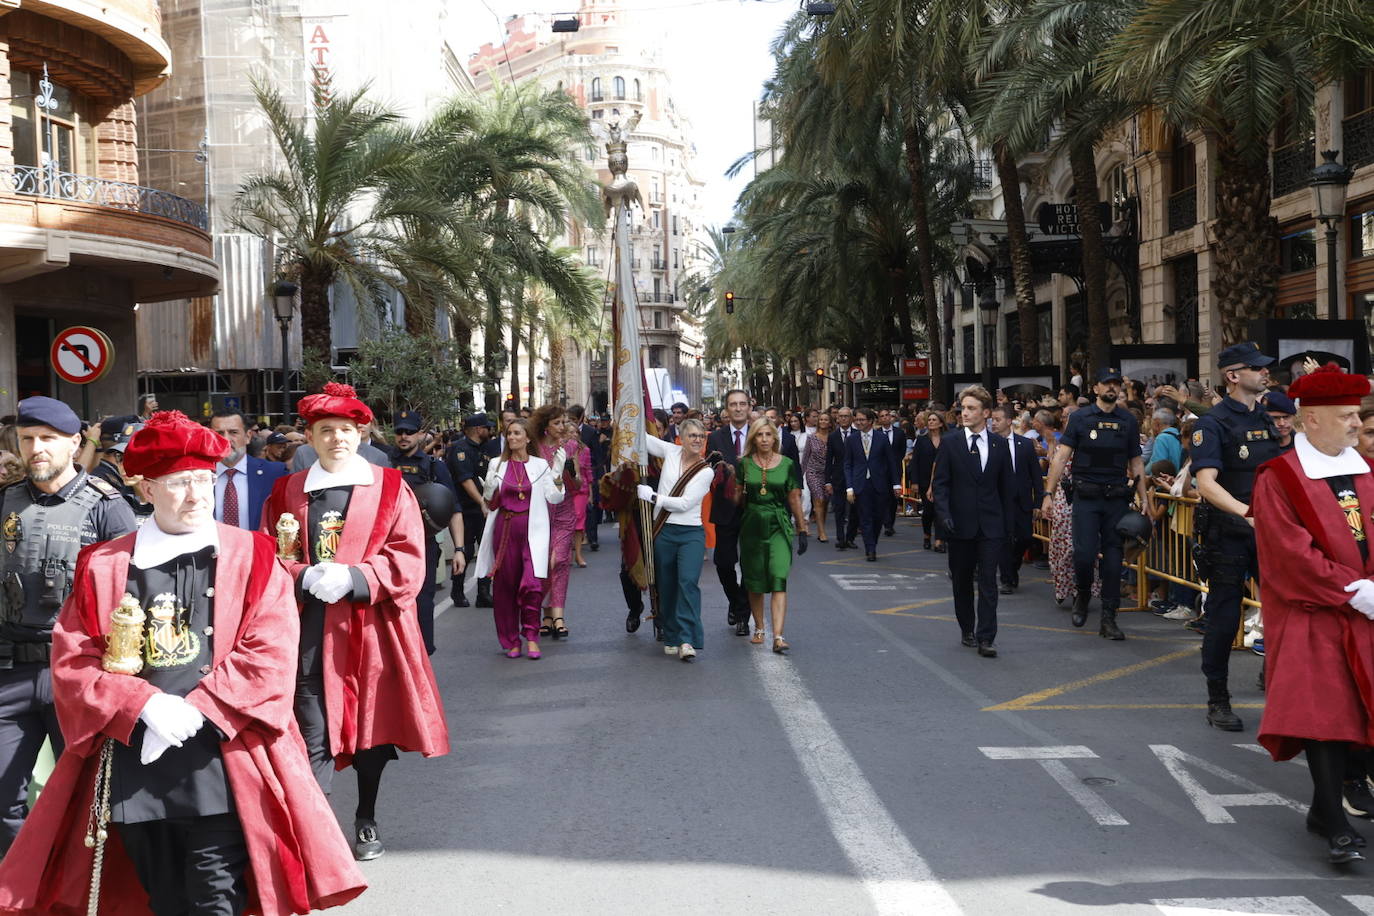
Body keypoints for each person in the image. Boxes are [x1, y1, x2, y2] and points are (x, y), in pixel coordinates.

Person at [0, 410, 367, 914]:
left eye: (202, 480)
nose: (196, 495)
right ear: (147, 490)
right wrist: (142, 707)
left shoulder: (255, 555)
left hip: (228, 758)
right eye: (178, 483)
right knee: (165, 898)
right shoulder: (103, 563)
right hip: (135, 765)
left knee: (216, 895)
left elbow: (271, 652)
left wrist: (199, 709)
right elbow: (74, 660)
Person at [261, 382, 449, 861]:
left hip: (369, 629)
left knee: (370, 735)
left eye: (346, 429)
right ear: (311, 437)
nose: (337, 439)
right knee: (310, 734)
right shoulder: (287, 491)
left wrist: (357, 578)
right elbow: (269, 554)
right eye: (326, 430)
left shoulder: (388, 488)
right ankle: (315, 830)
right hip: (307, 628)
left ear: (360, 433)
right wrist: (303, 576)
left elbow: (409, 556)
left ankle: (366, 817)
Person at [0, 397, 138, 854]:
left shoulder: (107, 507)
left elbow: (128, 597)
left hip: (77, 675)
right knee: (4, 801)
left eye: (48, 439)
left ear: (75, 443)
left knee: (88, 799)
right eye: (27, 439)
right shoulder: (4, 503)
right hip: (9, 674)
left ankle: (83, 896)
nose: (36, 448)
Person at [1253, 364, 1374, 864]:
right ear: (1313, 421)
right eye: (1346, 415)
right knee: (1324, 715)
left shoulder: (1368, 471)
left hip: (1365, 609)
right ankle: (1335, 821)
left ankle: (1326, 809)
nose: (1356, 424)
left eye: (1356, 414)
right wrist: (1353, 591)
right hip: (1311, 610)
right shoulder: (1278, 477)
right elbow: (1287, 552)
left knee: (1361, 709)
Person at [1188, 342, 1283, 731]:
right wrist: (1248, 513)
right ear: (1233, 376)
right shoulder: (1212, 424)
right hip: (1228, 534)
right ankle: (1218, 698)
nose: (1265, 373)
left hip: (1269, 533)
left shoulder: (1268, 418)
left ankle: (1277, 683)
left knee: (1283, 614)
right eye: (1256, 368)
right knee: (1224, 620)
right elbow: (1206, 483)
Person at [1042, 367, 1150, 639]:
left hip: (1115, 499)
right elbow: (1061, 456)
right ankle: (1082, 595)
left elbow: (1136, 461)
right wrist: (1049, 493)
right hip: (1086, 498)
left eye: (1116, 384)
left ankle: (1109, 618)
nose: (1112, 388)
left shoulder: (1127, 420)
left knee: (1114, 561)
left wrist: (1144, 497)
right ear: (1097, 388)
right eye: (1107, 384)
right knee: (1084, 554)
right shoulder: (1079, 418)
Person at [932, 388, 1015, 657]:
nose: (964, 413)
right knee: (962, 580)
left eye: (970, 408)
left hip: (991, 526)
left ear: (986, 413)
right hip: (959, 525)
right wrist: (944, 516)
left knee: (989, 581)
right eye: (962, 409)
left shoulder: (1000, 445)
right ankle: (967, 627)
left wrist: (1008, 526)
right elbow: (941, 484)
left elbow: (1006, 489)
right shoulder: (950, 442)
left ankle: (986, 637)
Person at [473, 419, 566, 659]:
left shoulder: (540, 465)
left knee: (532, 586)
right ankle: (512, 640)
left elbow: (554, 499)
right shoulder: (497, 464)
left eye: (517, 433)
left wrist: (557, 476)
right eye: (509, 433)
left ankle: (532, 637)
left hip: (532, 533)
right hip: (504, 533)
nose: (512, 437)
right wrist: (489, 490)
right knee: (505, 588)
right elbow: (490, 503)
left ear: (527, 438)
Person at [386, 410, 464, 655]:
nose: (404, 436)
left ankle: (421, 656)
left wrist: (460, 549)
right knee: (390, 603)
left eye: (409, 431)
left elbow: (453, 509)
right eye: (399, 431)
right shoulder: (384, 463)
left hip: (423, 545)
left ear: (420, 434)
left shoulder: (434, 466)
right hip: (388, 546)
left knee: (422, 601)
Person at [637, 419, 714, 661]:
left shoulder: (706, 471)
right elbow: (641, 439)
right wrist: (629, 410)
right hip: (665, 531)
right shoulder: (670, 451)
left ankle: (687, 638)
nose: (697, 440)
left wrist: (653, 497)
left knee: (687, 583)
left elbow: (684, 504)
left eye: (701, 436)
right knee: (667, 585)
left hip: (691, 533)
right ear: (680, 437)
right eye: (692, 435)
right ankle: (670, 635)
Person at [734, 419, 807, 653]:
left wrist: (802, 529)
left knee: (778, 577)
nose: (764, 439)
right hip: (752, 524)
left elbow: (794, 498)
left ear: (775, 438)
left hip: (778, 523)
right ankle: (759, 627)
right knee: (754, 579)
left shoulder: (787, 464)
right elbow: (737, 499)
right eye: (759, 435)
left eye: (768, 434)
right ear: (753, 439)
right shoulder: (744, 464)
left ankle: (778, 636)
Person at [532, 406, 591, 640]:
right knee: (545, 563)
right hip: (541, 513)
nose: (562, 427)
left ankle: (558, 615)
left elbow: (577, 485)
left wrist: (570, 473)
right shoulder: (533, 448)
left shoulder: (570, 447)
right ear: (546, 425)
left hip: (564, 511)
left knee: (560, 560)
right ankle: (545, 615)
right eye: (557, 422)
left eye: (564, 422)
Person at [706, 389, 752, 635]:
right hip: (725, 508)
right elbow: (708, 470)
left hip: (754, 508)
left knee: (749, 563)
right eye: (733, 404)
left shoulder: (760, 433)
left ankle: (743, 615)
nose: (738, 408)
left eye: (742, 404)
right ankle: (734, 600)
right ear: (726, 408)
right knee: (723, 563)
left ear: (749, 407)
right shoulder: (715, 437)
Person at [989, 403, 1043, 594]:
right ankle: (1006, 579)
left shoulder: (1025, 444)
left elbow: (1036, 476)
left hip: (1022, 501)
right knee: (1004, 540)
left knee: (1024, 538)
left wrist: (1039, 502)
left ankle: (1013, 568)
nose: (994, 423)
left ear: (1009, 421)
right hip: (999, 501)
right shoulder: (990, 444)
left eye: (998, 419)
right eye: (992, 420)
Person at [209, 409, 289, 534]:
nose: (226, 439)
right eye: (219, 433)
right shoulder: (198, 476)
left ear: (248, 436)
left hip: (259, 550)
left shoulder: (274, 473)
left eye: (233, 432)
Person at [446, 414, 494, 608]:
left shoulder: (484, 448)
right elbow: (466, 480)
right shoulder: (461, 449)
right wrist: (481, 501)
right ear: (477, 429)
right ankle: (457, 591)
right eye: (487, 428)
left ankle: (484, 593)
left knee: (485, 551)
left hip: (484, 510)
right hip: (465, 510)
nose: (489, 431)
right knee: (464, 551)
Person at [843, 408, 902, 562]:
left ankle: (872, 542)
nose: (858, 422)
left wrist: (896, 484)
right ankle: (870, 548)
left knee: (878, 518)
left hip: (880, 483)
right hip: (860, 484)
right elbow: (848, 464)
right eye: (857, 420)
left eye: (862, 419)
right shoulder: (852, 439)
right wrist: (849, 487)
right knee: (865, 517)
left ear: (870, 421)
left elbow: (891, 463)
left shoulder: (882, 438)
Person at [825, 406, 860, 549]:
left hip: (855, 477)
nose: (843, 418)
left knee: (854, 509)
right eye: (841, 416)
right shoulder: (833, 436)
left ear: (851, 418)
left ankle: (850, 538)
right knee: (839, 509)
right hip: (838, 478)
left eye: (846, 416)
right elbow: (829, 460)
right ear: (837, 418)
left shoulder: (858, 434)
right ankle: (841, 538)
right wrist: (827, 481)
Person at [910, 411, 946, 552]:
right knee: (928, 512)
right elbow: (915, 462)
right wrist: (915, 481)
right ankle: (926, 536)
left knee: (941, 511)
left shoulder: (948, 439)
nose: (930, 422)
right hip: (925, 481)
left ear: (941, 423)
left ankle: (939, 540)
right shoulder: (922, 439)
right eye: (929, 419)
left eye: (934, 419)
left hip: (943, 480)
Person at [875, 409, 907, 536]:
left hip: (895, 469)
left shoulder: (899, 433)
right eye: (882, 416)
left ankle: (890, 523)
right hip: (880, 470)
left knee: (893, 498)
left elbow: (902, 451)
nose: (885, 418)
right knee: (883, 496)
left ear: (891, 417)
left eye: (886, 415)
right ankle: (886, 523)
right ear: (879, 419)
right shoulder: (876, 433)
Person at [804, 412, 832, 542]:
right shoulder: (811, 438)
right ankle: (821, 531)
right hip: (813, 472)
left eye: (826, 419)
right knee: (819, 499)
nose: (823, 421)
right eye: (821, 419)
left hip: (828, 474)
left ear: (830, 422)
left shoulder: (833, 438)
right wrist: (800, 475)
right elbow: (805, 457)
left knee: (825, 501)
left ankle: (821, 524)